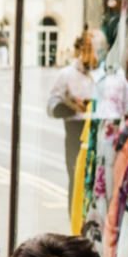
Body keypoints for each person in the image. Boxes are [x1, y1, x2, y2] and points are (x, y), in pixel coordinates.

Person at [47, 30, 99, 186]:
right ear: (80, 49)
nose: (91, 53)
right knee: (76, 181)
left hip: (99, 133)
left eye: (96, 48)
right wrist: (73, 108)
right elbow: (51, 105)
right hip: (75, 131)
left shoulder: (104, 74)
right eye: (88, 48)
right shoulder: (67, 74)